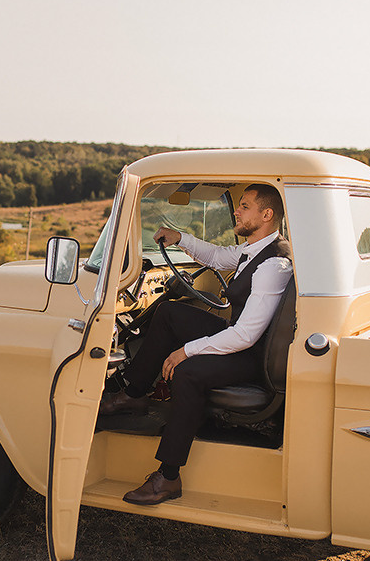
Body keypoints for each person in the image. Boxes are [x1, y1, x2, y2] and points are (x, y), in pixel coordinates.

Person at [99, 183, 293, 505]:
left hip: (253, 354)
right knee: (170, 312)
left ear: (266, 214)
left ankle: (168, 477)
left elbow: (246, 336)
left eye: (244, 206)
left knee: (188, 372)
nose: (237, 210)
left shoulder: (274, 264)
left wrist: (186, 351)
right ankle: (132, 394)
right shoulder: (254, 248)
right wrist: (180, 239)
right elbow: (217, 256)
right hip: (241, 336)